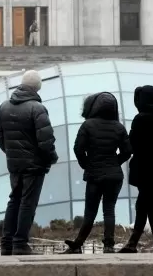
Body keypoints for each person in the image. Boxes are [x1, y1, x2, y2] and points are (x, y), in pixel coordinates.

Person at [0, 69, 58, 256]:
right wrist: (51, 158)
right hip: (34, 165)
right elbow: (46, 140)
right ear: (38, 87)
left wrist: (12, 153)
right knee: (28, 203)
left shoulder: (4, 106)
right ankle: (20, 243)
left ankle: (7, 243)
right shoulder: (37, 108)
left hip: (14, 163)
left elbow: (0, 136)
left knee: (14, 200)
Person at [65, 92, 131, 254]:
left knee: (90, 212)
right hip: (114, 176)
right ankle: (108, 245)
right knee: (109, 210)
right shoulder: (119, 127)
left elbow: (78, 149)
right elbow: (128, 151)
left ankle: (78, 244)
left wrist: (86, 164)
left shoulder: (88, 125)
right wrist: (115, 162)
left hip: (94, 175)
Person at [120, 85, 153, 253]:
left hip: (142, 166)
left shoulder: (140, 119)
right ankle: (144, 243)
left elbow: (132, 143)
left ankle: (144, 243)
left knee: (145, 203)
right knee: (146, 202)